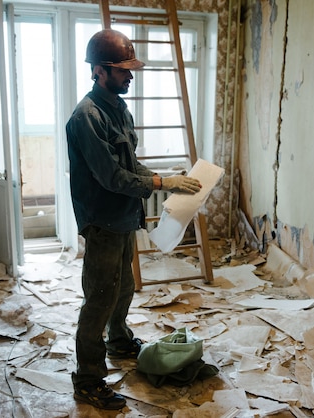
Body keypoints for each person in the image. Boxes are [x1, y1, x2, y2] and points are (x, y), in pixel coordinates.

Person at [66, 29, 202, 410]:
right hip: (103, 221)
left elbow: (130, 164)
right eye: (123, 70)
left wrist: (165, 179)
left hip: (124, 216)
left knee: (123, 287)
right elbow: (111, 177)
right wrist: (161, 183)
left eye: (131, 69)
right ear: (98, 71)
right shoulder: (86, 117)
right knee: (99, 298)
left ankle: (120, 341)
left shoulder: (118, 107)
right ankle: (89, 379)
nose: (130, 76)